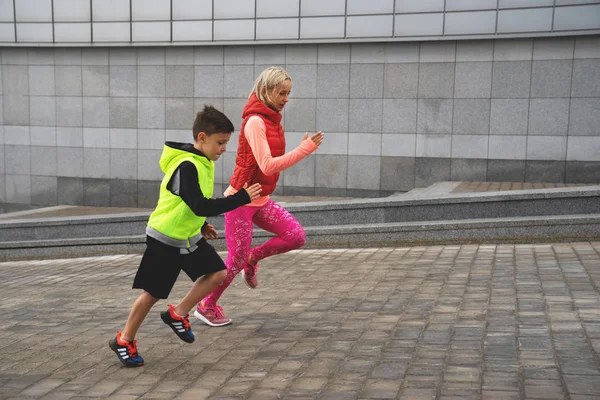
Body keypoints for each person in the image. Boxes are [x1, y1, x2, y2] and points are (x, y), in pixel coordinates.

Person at [109, 105, 262, 367]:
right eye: (220, 142)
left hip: (188, 235)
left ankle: (178, 314)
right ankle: (124, 339)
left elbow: (191, 203)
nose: (224, 148)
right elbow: (199, 203)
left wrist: (201, 225)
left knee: (217, 273)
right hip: (165, 238)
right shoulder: (187, 165)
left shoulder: (203, 161)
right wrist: (240, 198)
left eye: (226, 143)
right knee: (152, 293)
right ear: (202, 138)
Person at [194, 66, 324, 327]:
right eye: (282, 93)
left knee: (296, 236)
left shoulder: (273, 119)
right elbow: (266, 165)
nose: (286, 99)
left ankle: (254, 258)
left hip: (261, 198)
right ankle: (206, 305)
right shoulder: (255, 121)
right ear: (265, 91)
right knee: (234, 259)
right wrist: (304, 150)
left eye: (288, 93)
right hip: (240, 201)